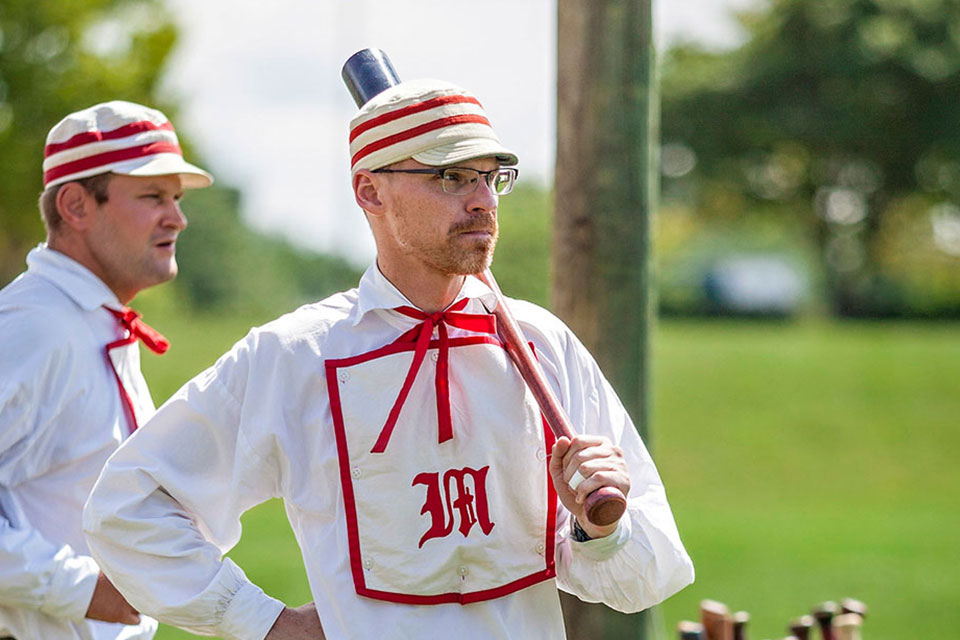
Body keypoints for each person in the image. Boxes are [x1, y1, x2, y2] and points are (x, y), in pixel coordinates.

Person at [83, 79, 694, 640]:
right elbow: (131, 507)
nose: (482, 200)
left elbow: (645, 578)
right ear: (370, 191)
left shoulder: (542, 344)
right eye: (450, 178)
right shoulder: (295, 355)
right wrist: (263, 623)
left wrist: (599, 531)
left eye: (490, 176)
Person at [0, 100, 212, 640]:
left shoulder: (93, 322)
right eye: (152, 196)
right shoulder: (35, 327)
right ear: (75, 205)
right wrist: (88, 590)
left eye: (177, 198)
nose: (177, 217)